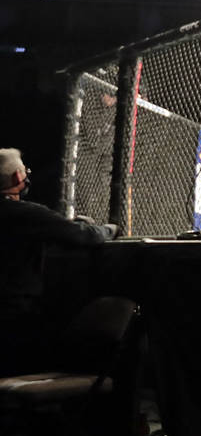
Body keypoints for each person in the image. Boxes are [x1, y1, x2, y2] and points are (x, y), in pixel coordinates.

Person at [0, 148, 118, 376]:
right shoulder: (25, 214)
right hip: (14, 319)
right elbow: (85, 235)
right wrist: (109, 229)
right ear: (17, 177)